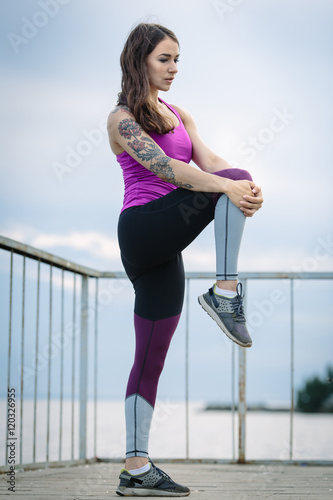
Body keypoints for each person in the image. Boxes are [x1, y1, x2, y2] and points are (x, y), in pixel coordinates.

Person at [107, 22, 263, 497]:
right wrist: (229, 185)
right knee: (229, 184)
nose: (173, 69)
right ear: (140, 60)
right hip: (142, 229)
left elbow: (210, 164)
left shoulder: (179, 113)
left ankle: (136, 467)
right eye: (164, 59)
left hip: (166, 242)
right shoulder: (121, 119)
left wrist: (244, 187)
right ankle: (224, 293)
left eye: (178, 60)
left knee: (150, 356)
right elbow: (168, 168)